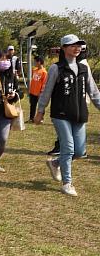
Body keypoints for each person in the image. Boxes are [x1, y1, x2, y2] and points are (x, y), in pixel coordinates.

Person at [34, 35, 100, 197]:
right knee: (68, 148)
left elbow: (93, 92)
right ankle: (67, 183)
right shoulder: (56, 68)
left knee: (79, 151)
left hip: (79, 115)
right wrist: (40, 111)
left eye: (79, 45)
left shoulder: (84, 68)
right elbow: (46, 91)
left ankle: (56, 163)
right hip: (60, 114)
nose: (76, 48)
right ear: (63, 48)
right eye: (72, 45)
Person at [28, 56, 48, 123]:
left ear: (39, 62)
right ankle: (31, 118)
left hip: (39, 93)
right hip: (32, 92)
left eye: (35, 61)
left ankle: (41, 118)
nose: (34, 63)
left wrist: (41, 92)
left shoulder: (44, 72)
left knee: (40, 106)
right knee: (32, 105)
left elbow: (44, 83)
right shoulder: (34, 70)